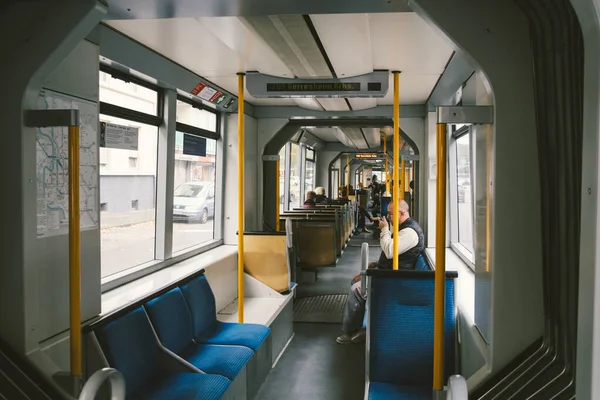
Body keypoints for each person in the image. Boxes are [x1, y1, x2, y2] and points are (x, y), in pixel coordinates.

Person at [336, 199, 425, 344]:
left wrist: (384, 229)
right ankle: (360, 326)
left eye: (390, 213)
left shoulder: (409, 233)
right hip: (391, 273)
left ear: (401, 213)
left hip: (396, 279)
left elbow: (390, 251)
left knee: (356, 289)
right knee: (356, 280)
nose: (387, 216)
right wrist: (378, 264)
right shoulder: (404, 228)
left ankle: (349, 331)